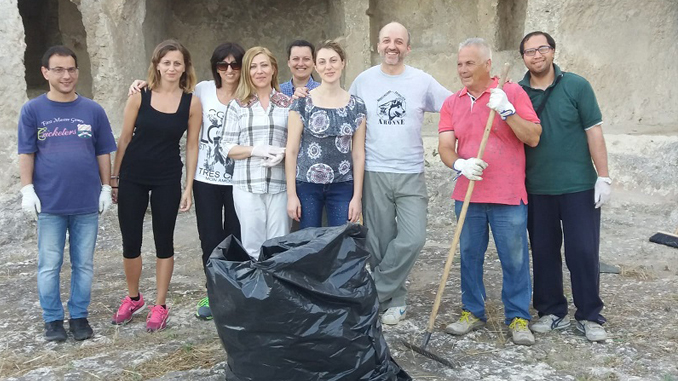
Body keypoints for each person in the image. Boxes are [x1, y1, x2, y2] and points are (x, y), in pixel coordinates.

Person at [128, 43, 245, 321]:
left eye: (235, 64)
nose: (229, 70)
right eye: (222, 65)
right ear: (215, 68)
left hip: (240, 179)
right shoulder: (203, 91)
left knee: (237, 236)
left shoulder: (250, 94)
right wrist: (141, 84)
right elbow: (170, 89)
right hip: (207, 178)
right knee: (210, 238)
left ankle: (236, 293)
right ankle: (213, 291)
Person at [437, 38, 542, 346]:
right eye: (459, 63)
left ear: (487, 65)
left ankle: (518, 316)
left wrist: (507, 112)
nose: (463, 69)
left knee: (514, 259)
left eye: (470, 63)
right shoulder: (452, 102)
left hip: (508, 195)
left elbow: (533, 137)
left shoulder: (510, 92)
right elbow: (444, 147)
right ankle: (472, 311)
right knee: (469, 256)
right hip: (468, 194)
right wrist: (460, 164)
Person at [348, 22, 451, 325]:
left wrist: (488, 94)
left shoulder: (422, 81)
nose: (392, 46)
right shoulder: (363, 81)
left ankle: (374, 293)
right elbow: (346, 115)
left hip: (410, 172)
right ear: (378, 45)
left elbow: (455, 105)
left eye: (399, 41)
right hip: (375, 171)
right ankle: (398, 300)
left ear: (408, 47)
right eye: (386, 41)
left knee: (413, 237)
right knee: (378, 242)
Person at [18, 45, 117, 342]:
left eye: (71, 69)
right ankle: (52, 320)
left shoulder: (92, 110)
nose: (66, 75)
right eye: (58, 69)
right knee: (49, 264)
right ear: (45, 72)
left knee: (83, 263)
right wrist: (27, 190)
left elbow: (102, 152)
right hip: (50, 203)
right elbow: (26, 152)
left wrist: (106, 187)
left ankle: (79, 316)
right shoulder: (33, 110)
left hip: (86, 202)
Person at [518, 31, 610, 342]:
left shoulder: (577, 86)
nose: (537, 55)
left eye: (542, 48)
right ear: (523, 58)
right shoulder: (517, 93)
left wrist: (604, 176)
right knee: (543, 252)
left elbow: (593, 131)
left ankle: (589, 315)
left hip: (578, 186)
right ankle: (551, 311)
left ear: (553, 51)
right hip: (537, 188)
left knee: (583, 251)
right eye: (530, 51)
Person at [111, 40, 201, 332]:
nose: (172, 68)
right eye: (166, 63)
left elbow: (191, 146)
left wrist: (187, 187)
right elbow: (124, 139)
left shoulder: (191, 101)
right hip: (134, 174)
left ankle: (160, 305)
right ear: (157, 65)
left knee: (164, 241)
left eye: (178, 63)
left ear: (185, 66)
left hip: (166, 177)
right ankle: (134, 297)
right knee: (131, 241)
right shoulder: (140, 95)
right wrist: (115, 179)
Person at [285, 40, 366, 229]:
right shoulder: (302, 102)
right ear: (315, 66)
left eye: (333, 61)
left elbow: (358, 154)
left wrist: (357, 197)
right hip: (307, 184)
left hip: (342, 185)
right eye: (322, 62)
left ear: (343, 63)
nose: (328, 67)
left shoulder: (357, 105)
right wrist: (291, 195)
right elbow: (291, 150)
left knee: (341, 241)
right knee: (309, 243)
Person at [221, 46, 291, 259]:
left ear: (273, 69)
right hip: (247, 185)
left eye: (264, 65)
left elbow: (298, 143)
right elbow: (226, 146)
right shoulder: (237, 106)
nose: (259, 71)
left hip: (279, 184)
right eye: (253, 67)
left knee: (278, 245)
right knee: (252, 245)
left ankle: (276, 291)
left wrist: (285, 152)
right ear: (247, 72)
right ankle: (257, 291)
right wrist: (256, 150)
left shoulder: (287, 104)